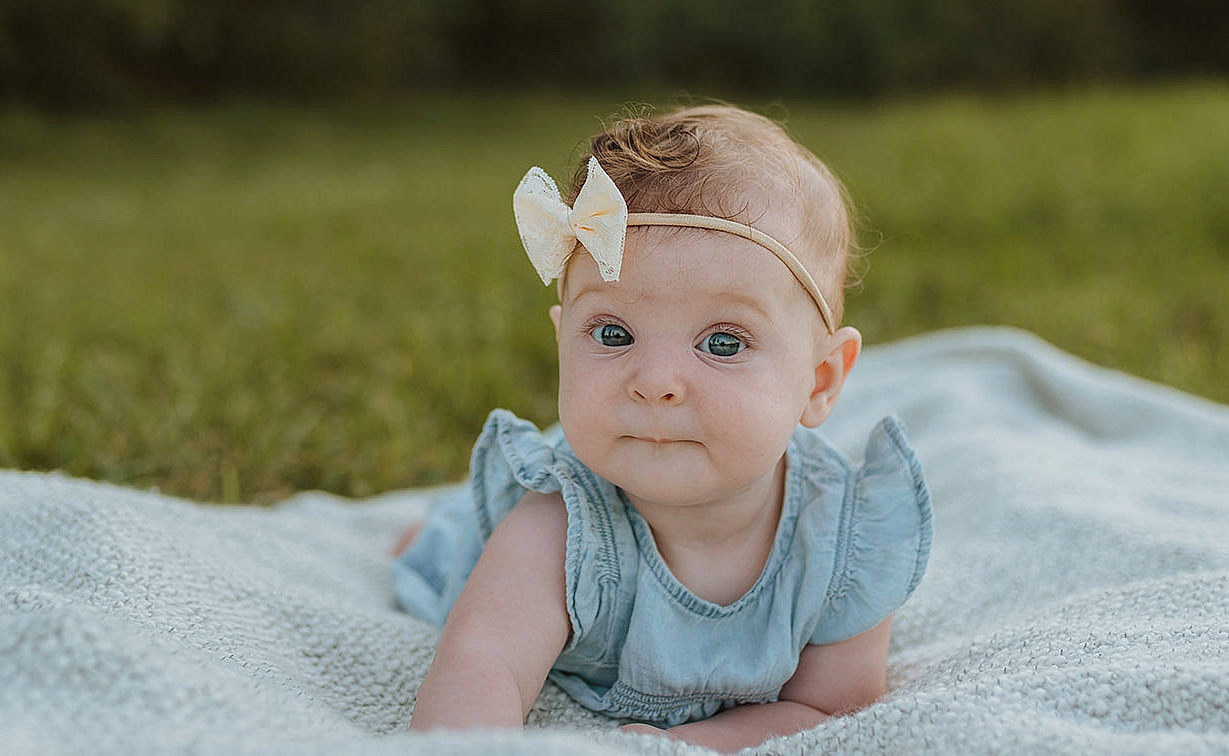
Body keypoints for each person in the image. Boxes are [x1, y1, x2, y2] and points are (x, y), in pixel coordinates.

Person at [391, 104, 932, 753]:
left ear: (819, 382)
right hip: (507, 558)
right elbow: (484, 666)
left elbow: (829, 705)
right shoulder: (558, 524)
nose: (655, 381)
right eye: (613, 334)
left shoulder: (845, 538)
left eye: (724, 343)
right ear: (564, 338)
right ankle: (435, 533)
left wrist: (692, 743)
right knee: (448, 556)